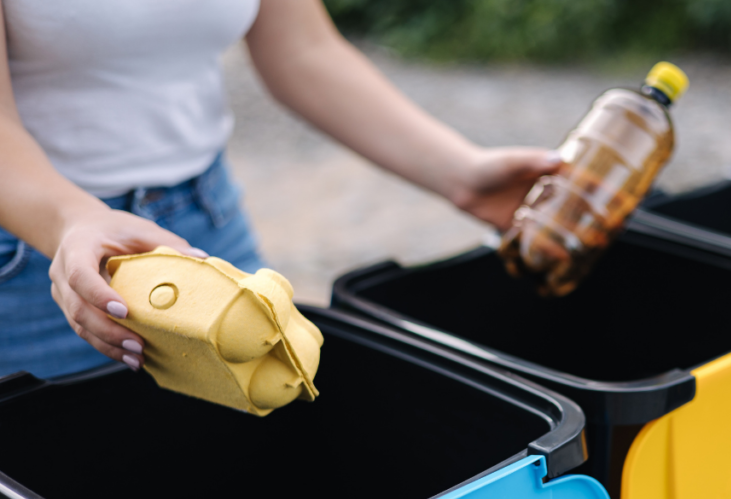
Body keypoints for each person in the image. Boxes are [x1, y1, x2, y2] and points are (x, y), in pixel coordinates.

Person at [0, 0, 559, 379]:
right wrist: (70, 221)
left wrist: (461, 175)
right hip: (34, 255)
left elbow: (302, 50)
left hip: (200, 222)